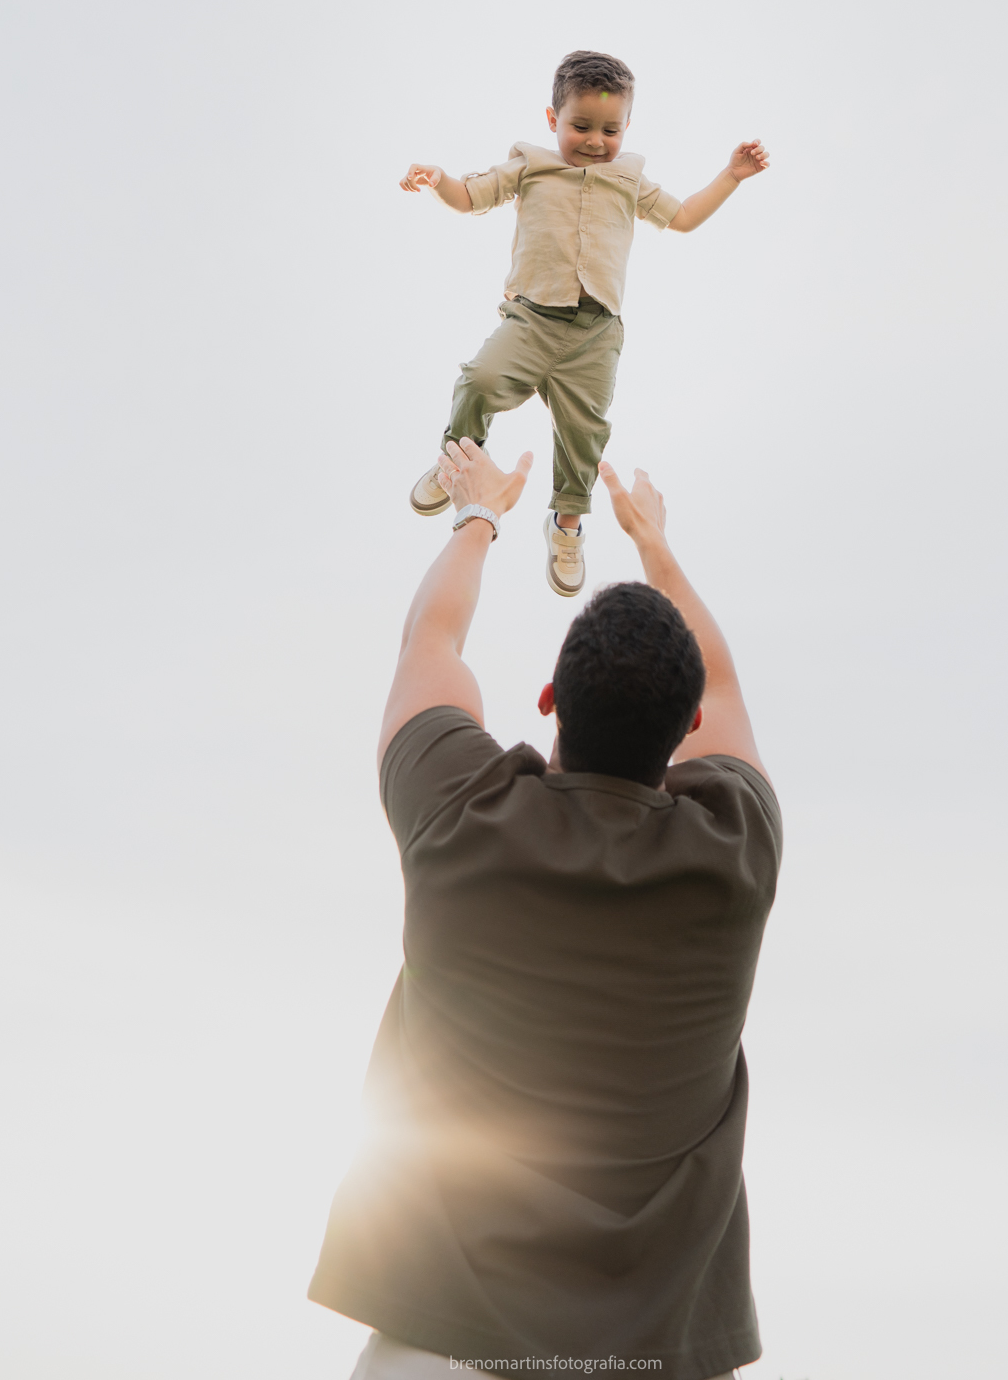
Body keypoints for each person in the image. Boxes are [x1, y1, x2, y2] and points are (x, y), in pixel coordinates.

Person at [308, 437, 783, 1380]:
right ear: (687, 732)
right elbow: (723, 684)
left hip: (441, 1346)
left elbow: (430, 644)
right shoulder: (736, 852)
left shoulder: (458, 813)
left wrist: (479, 517)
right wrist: (655, 545)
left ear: (549, 697)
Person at [399, 48, 770, 597]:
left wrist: (731, 176)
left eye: (609, 129)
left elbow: (685, 217)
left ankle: (566, 524)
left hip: (596, 333)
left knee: (584, 436)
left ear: (626, 128)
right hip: (532, 320)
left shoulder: (629, 180)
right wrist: (438, 179)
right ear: (553, 120)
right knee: (478, 380)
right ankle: (459, 458)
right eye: (580, 126)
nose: (596, 141)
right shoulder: (529, 165)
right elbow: (470, 197)